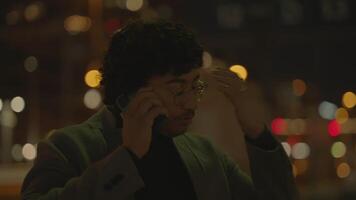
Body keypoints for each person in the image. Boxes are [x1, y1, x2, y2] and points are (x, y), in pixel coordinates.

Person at [21, 19, 298, 200]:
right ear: (131, 91)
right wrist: (128, 157)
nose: (190, 103)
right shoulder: (68, 147)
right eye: (177, 90)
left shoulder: (204, 154)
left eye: (196, 87)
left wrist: (258, 134)